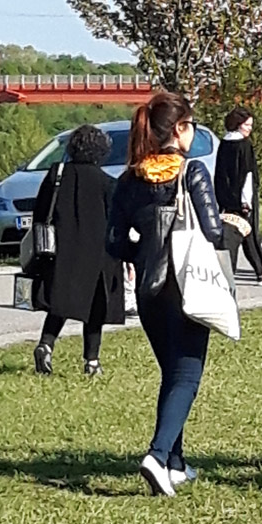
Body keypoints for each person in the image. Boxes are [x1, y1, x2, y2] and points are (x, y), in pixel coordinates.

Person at [108, 90, 243, 497]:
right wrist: (235, 229)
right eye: (192, 126)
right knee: (187, 373)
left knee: (171, 373)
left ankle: (176, 464)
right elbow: (212, 231)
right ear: (180, 129)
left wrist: (145, 250)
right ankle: (157, 453)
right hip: (188, 284)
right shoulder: (192, 172)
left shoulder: (130, 178)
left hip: (150, 289)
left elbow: (114, 242)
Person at [30, 123, 124, 377]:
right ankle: (91, 361)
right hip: (97, 254)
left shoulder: (56, 175)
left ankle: (45, 345)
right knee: (95, 308)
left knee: (60, 303)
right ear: (101, 151)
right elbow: (116, 222)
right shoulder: (107, 183)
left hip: (61, 250)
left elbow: (40, 213)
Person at [214, 108, 262, 283]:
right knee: (249, 233)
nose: (249, 129)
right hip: (243, 199)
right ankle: (261, 273)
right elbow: (247, 176)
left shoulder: (223, 144)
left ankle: (261, 270)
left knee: (244, 234)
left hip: (226, 199)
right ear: (238, 125)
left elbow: (220, 175)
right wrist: (246, 201)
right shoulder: (244, 146)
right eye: (247, 125)